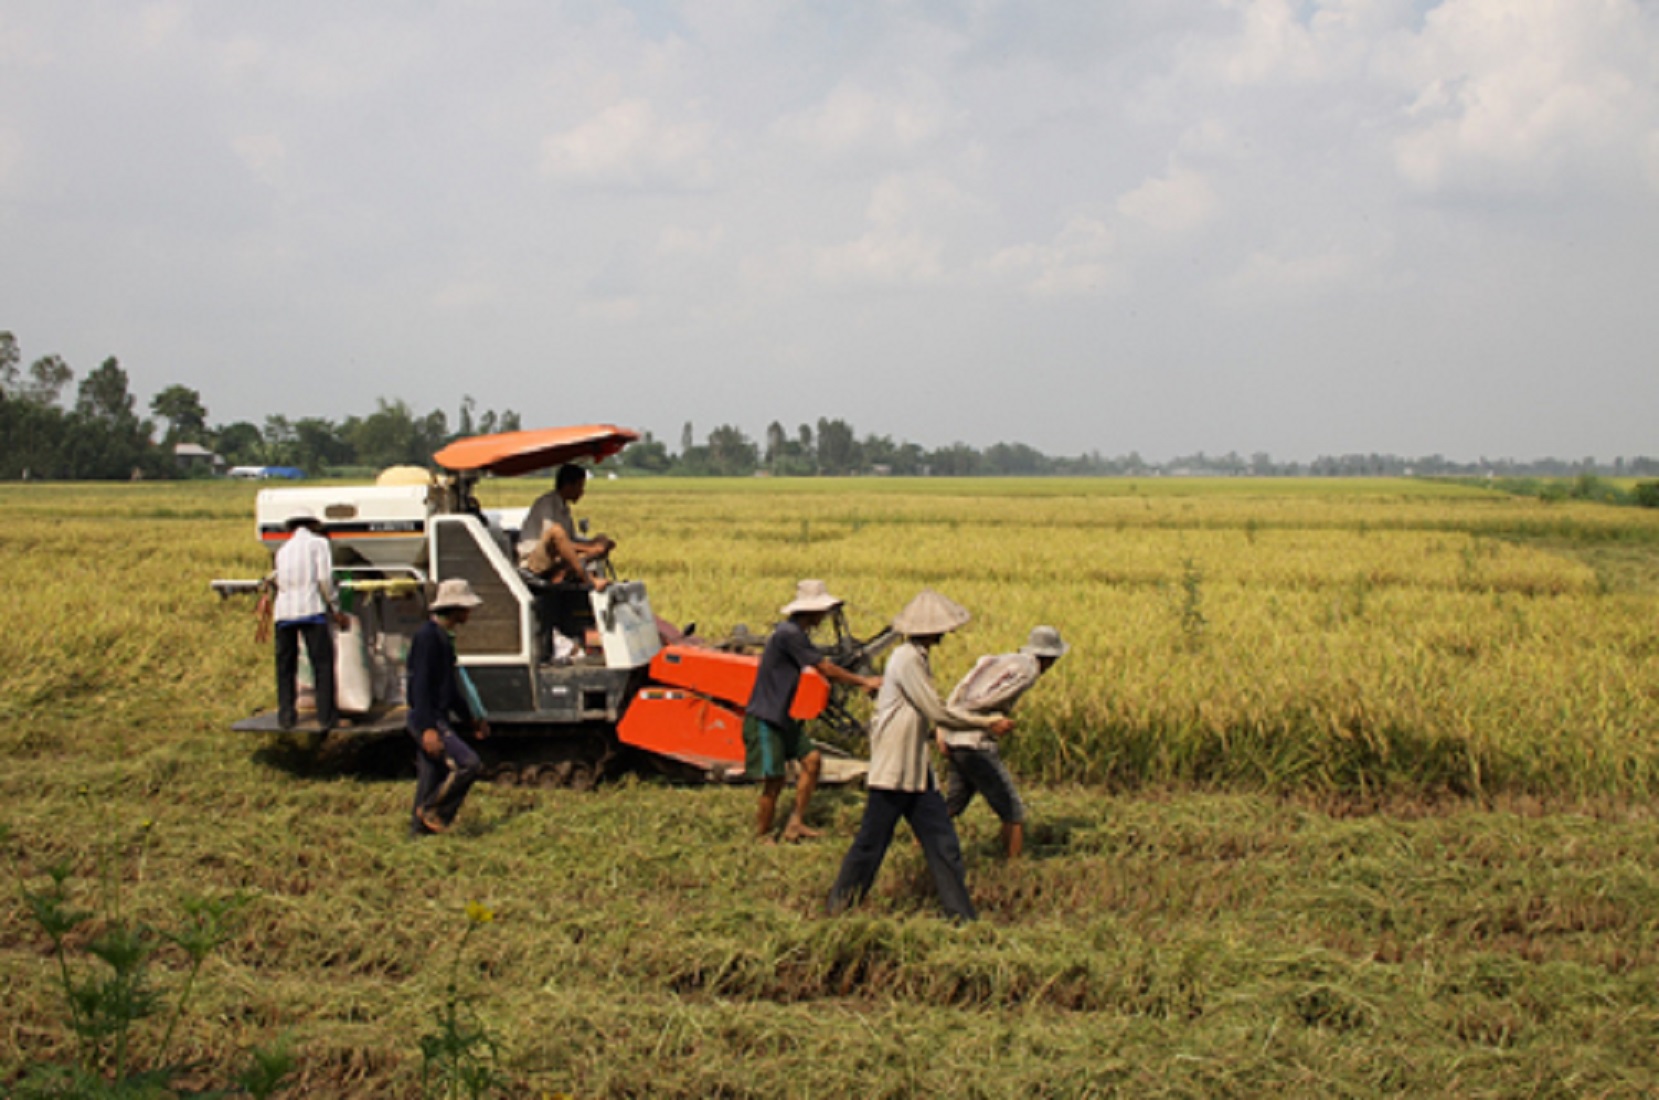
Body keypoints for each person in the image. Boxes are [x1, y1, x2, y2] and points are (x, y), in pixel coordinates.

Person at [826, 590, 1013, 922]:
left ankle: (961, 917)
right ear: (931, 630)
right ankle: (839, 909)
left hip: (915, 772)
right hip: (895, 770)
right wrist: (986, 722)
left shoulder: (915, 657)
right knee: (870, 844)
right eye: (942, 629)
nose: (945, 634)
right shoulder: (907, 659)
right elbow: (936, 712)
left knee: (944, 845)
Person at [744, 580, 881, 842]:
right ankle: (762, 836)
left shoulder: (796, 633)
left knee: (812, 760)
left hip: (782, 716)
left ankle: (795, 823)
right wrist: (863, 681)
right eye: (822, 611)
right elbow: (825, 668)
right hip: (766, 717)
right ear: (811, 611)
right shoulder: (789, 634)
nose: (824, 616)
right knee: (774, 781)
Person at [939, 625, 1069, 860]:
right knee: (1013, 809)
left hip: (957, 739)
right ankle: (1014, 865)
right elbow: (982, 700)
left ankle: (921, 847)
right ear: (1049, 658)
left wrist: (946, 723)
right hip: (976, 743)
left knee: (954, 803)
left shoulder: (1000, 659)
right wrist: (990, 720)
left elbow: (963, 687)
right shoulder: (1029, 671)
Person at [407, 578, 491, 837]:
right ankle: (434, 811)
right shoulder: (428, 637)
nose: (469, 613)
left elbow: (450, 689)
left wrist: (470, 718)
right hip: (429, 717)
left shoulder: (443, 638)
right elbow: (419, 685)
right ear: (455, 608)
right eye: (466, 608)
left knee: (432, 774)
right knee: (468, 764)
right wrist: (428, 728)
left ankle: (418, 833)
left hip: (436, 715)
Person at [271, 508, 347, 731]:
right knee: (322, 665)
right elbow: (324, 579)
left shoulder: (282, 550)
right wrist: (335, 608)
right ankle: (326, 717)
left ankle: (286, 717)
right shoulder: (319, 544)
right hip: (311, 610)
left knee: (285, 667)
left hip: (283, 613)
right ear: (313, 525)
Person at [518, 464, 615, 593]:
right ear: (568, 486)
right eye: (579, 486)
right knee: (557, 531)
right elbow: (555, 540)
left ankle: (565, 573)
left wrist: (597, 544)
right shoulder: (546, 503)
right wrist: (589, 548)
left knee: (602, 539)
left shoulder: (564, 508)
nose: (582, 492)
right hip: (534, 561)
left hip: (556, 559)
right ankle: (588, 580)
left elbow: (570, 540)